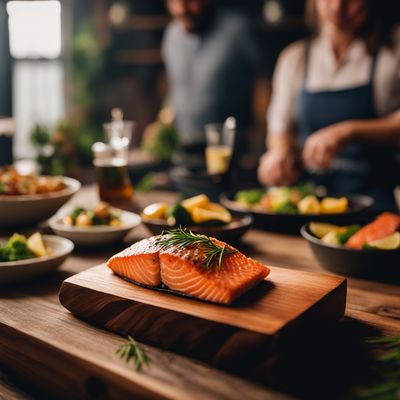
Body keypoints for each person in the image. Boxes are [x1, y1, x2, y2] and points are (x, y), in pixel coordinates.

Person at [258, 0, 400, 211]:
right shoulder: (294, 57)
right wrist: (279, 153)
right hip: (309, 202)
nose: (337, 7)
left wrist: (348, 131)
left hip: (373, 202)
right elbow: (280, 128)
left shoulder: (393, 48)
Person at [162, 0, 259, 168]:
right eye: (174, 2)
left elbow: (264, 84)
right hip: (184, 154)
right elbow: (176, 89)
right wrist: (163, 122)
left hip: (233, 156)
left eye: (190, 1)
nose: (181, 9)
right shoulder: (172, 35)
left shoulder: (237, 30)